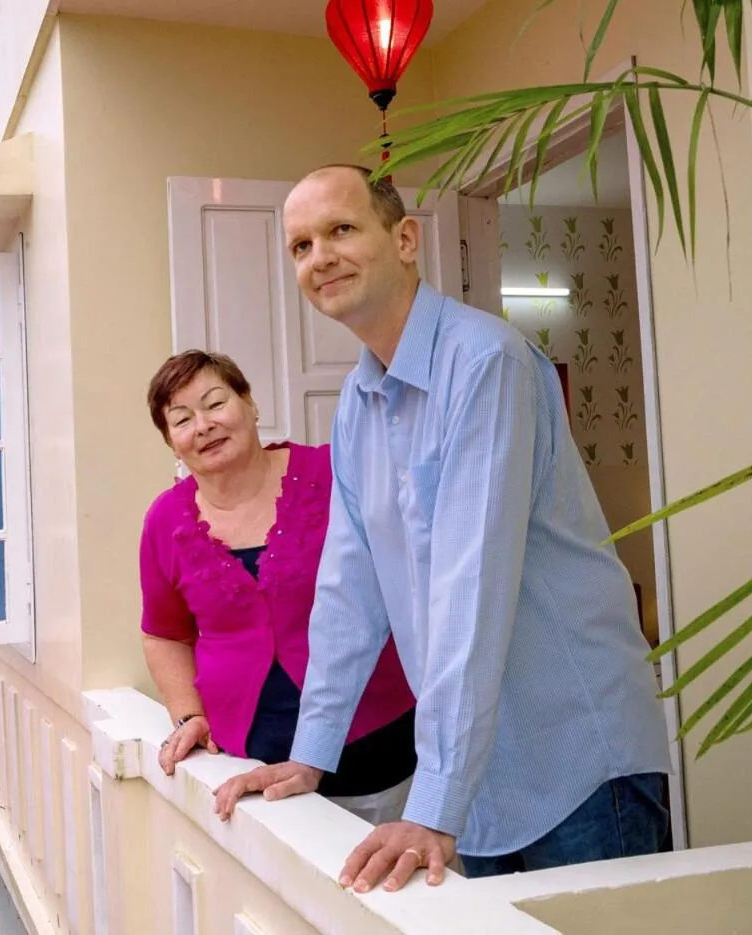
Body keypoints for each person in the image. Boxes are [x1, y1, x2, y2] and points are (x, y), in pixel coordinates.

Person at [213, 165, 671, 891]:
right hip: (481, 782)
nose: (320, 257)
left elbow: (472, 584)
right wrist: (313, 753)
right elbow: (348, 591)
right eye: (301, 245)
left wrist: (433, 800)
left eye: (340, 230)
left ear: (404, 238)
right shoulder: (358, 403)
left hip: (578, 762)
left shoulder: (486, 361)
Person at [140, 349, 418, 823]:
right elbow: (165, 633)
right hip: (248, 769)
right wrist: (188, 715)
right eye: (182, 419)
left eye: (215, 403)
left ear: (250, 404)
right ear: (171, 442)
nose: (204, 425)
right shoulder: (164, 520)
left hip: (378, 753)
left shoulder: (334, 473)